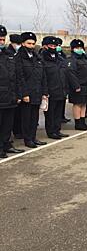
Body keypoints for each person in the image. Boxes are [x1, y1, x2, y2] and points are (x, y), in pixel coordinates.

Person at [15, 32, 47, 148]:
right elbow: (20, 77)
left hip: (37, 92)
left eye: (33, 43)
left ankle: (33, 137)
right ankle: (27, 139)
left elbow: (43, 76)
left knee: (35, 118)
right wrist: (24, 93)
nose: (31, 46)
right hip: (27, 93)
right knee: (26, 118)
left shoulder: (37, 57)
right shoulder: (19, 58)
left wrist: (44, 92)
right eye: (29, 43)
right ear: (23, 43)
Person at [0, 25, 23, 158]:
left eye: (3, 39)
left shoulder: (9, 56)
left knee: (7, 124)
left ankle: (6, 143)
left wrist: (17, 94)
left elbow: (16, 77)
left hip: (10, 96)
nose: (2, 42)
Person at [41, 36, 68, 139]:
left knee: (58, 113)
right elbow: (43, 77)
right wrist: (45, 91)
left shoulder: (60, 59)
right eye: (51, 45)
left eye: (55, 45)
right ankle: (51, 131)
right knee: (50, 114)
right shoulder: (42, 59)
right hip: (50, 91)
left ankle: (57, 130)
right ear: (45, 46)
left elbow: (65, 74)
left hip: (61, 90)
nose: (53, 47)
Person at [65, 39, 87, 131]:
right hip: (78, 85)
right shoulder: (71, 59)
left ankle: (82, 121)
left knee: (84, 104)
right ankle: (78, 123)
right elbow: (71, 74)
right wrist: (76, 86)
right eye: (77, 48)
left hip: (86, 85)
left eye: (81, 47)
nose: (79, 49)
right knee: (77, 104)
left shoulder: (86, 58)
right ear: (72, 49)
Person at [56, 37, 71, 124]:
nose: (58, 47)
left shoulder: (62, 55)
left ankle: (62, 116)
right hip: (55, 85)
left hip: (63, 82)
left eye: (59, 45)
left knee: (62, 102)